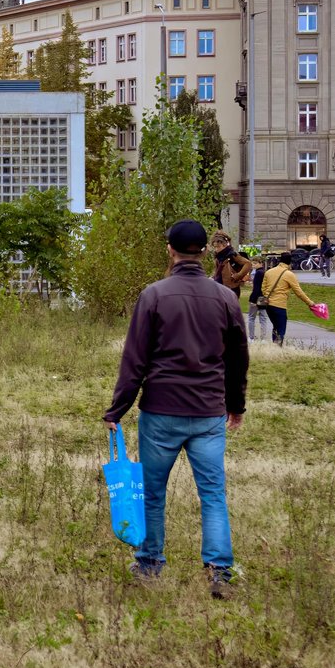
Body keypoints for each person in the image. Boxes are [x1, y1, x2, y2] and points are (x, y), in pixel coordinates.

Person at [104, 219, 248, 600]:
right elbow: (237, 360)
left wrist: (117, 409)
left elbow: (134, 360)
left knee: (152, 492)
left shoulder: (153, 296)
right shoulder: (225, 299)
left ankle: (150, 562)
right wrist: (236, 405)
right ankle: (220, 570)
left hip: (161, 411)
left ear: (170, 249)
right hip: (207, 413)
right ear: (203, 251)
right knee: (213, 493)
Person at [254, 250, 318, 345]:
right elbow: (298, 292)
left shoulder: (269, 272)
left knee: (275, 326)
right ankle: (277, 348)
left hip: (268, 304)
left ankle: (274, 347)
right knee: (280, 328)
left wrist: (269, 296)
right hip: (279, 305)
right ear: (290, 262)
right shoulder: (289, 275)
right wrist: (310, 303)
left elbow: (263, 288)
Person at [210, 235, 253, 315]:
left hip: (231, 287)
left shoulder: (232, 255)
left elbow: (248, 263)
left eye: (218, 247)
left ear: (224, 245)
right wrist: (213, 277)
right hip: (219, 287)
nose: (216, 249)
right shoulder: (218, 257)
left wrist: (239, 275)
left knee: (230, 312)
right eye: (215, 247)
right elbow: (217, 271)